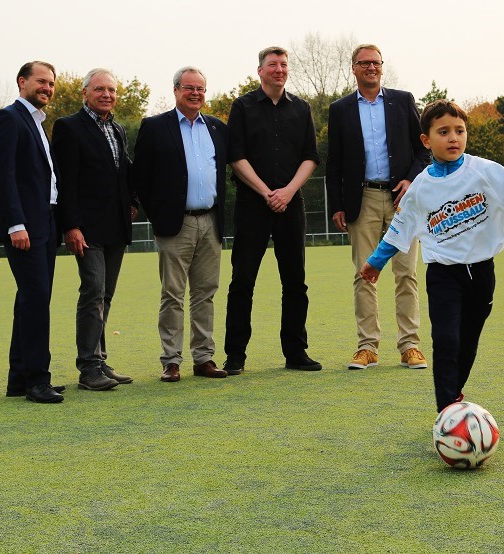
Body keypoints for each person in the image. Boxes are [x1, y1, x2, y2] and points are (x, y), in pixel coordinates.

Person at [359, 100, 504, 412]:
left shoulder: (484, 171)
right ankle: (446, 410)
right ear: (426, 140)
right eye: (443, 132)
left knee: (467, 342)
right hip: (443, 274)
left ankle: (454, 393)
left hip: (482, 272)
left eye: (459, 131)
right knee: (446, 340)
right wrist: (376, 262)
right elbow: (399, 228)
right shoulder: (420, 187)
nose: (453, 138)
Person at [326, 44, 430, 371]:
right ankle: (367, 347)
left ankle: (410, 345)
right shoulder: (340, 109)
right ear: (353, 68)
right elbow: (334, 162)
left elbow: (423, 149)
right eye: (364, 63)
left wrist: (411, 180)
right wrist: (338, 205)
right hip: (362, 200)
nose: (371, 67)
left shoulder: (403, 101)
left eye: (376, 62)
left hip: (403, 200)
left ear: (382, 66)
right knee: (364, 273)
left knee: (406, 273)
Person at [223, 46, 321, 374]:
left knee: (295, 282)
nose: (279, 69)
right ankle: (235, 355)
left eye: (283, 64)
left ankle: (296, 352)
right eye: (272, 65)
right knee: (242, 281)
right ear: (260, 71)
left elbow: (310, 156)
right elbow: (236, 156)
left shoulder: (301, 108)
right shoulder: (243, 107)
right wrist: (266, 192)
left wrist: (288, 191)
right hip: (253, 205)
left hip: (291, 206)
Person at [134, 66, 229, 382]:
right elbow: (141, 178)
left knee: (205, 293)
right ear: (176, 90)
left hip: (211, 221)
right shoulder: (154, 127)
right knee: (172, 294)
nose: (195, 93)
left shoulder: (216, 128)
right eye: (189, 88)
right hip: (176, 224)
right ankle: (171, 361)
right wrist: (158, 214)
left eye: (200, 88)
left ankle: (203, 358)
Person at [51, 68, 137, 391]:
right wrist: (71, 225)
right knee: (93, 291)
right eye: (99, 89)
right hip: (87, 229)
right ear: (85, 93)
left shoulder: (117, 129)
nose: (106, 95)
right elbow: (65, 181)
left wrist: (133, 201)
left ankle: (99, 361)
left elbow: (123, 171)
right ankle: (88, 369)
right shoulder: (69, 127)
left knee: (106, 295)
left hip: (116, 226)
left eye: (111, 90)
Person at [0, 61, 65, 404]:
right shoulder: (8, 118)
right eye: (40, 81)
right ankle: (37, 380)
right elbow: (3, 176)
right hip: (25, 227)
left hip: (46, 222)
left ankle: (19, 379)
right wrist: (15, 224)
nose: (47, 88)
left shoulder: (37, 123)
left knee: (32, 299)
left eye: (51, 83)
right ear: (22, 82)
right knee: (35, 300)